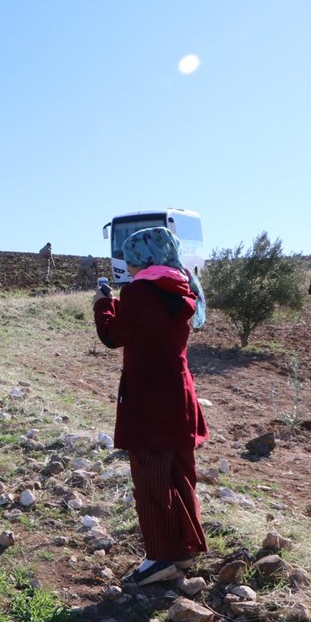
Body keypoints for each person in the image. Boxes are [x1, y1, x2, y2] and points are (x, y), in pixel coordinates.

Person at [93, 226, 208, 587]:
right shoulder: (181, 286)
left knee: (150, 479)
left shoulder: (141, 290)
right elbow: (148, 327)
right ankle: (184, 549)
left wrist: (103, 305)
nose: (127, 267)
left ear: (144, 258)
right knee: (179, 475)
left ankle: (160, 558)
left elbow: (113, 335)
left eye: (130, 259)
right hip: (178, 395)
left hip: (148, 399)